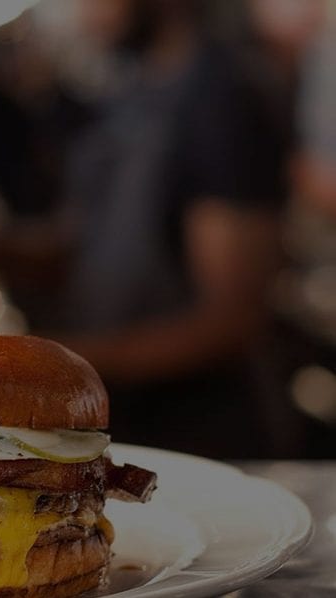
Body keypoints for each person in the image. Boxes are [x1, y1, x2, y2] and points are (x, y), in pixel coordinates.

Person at [45, 0, 286, 458]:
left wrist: (60, 364)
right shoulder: (134, 85)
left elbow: (231, 319)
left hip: (201, 435)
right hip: (124, 415)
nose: (84, 10)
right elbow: (96, 244)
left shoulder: (224, 99)